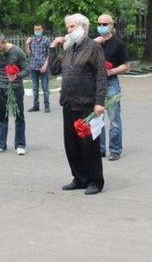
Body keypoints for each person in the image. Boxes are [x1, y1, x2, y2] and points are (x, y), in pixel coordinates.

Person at [49, 13, 107, 195]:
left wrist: (99, 102)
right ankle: (79, 177)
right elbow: (55, 69)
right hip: (69, 102)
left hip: (87, 103)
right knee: (71, 144)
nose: (68, 30)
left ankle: (95, 180)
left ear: (82, 27)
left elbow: (100, 75)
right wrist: (52, 48)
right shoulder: (69, 49)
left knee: (89, 144)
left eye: (72, 26)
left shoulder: (94, 47)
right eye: (68, 27)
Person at [0, 32, 30, 155]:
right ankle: (0, 144)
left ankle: (20, 145)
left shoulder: (17, 52)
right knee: (1, 117)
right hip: (0, 88)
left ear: (5, 42)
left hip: (15, 88)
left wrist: (17, 76)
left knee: (19, 116)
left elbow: (27, 69)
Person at [94, 14, 129, 161]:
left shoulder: (118, 43)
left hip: (111, 82)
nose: (101, 26)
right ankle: (99, 148)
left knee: (114, 117)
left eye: (104, 24)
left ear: (111, 25)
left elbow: (126, 66)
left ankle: (115, 149)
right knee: (97, 117)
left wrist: (111, 71)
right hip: (95, 83)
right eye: (99, 24)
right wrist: (93, 43)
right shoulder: (93, 42)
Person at [25, 23, 51, 113]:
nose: (37, 31)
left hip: (43, 67)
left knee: (45, 88)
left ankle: (47, 105)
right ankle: (36, 105)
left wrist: (45, 65)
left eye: (39, 29)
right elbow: (29, 54)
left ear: (42, 30)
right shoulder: (31, 40)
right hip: (33, 66)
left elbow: (49, 54)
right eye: (36, 29)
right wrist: (27, 45)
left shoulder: (46, 40)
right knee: (35, 88)